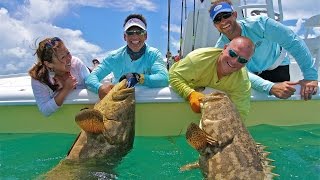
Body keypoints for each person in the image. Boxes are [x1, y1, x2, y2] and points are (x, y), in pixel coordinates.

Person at [210, 0, 318, 100]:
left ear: (234, 15)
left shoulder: (261, 24)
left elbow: (293, 42)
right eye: (217, 19)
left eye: (226, 15)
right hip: (249, 75)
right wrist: (270, 87)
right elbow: (239, 72)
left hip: (277, 66)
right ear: (215, 25)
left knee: (282, 102)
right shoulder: (220, 49)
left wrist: (311, 77)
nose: (223, 21)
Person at [169, 36, 255, 120]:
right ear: (224, 48)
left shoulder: (242, 80)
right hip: (185, 83)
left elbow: (241, 111)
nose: (234, 61)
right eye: (232, 54)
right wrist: (190, 94)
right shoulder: (199, 58)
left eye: (242, 60)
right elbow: (174, 76)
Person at [85, 14, 169, 99]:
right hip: (118, 103)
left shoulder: (153, 54)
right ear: (125, 36)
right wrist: (99, 88)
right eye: (130, 33)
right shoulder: (114, 56)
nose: (135, 36)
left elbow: (164, 78)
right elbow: (91, 77)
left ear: (146, 35)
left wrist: (138, 78)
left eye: (139, 32)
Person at [28, 37, 90, 116]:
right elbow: (45, 110)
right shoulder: (39, 79)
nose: (69, 59)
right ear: (49, 64)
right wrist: (66, 90)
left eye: (68, 53)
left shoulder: (76, 63)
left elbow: (90, 83)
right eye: (63, 57)